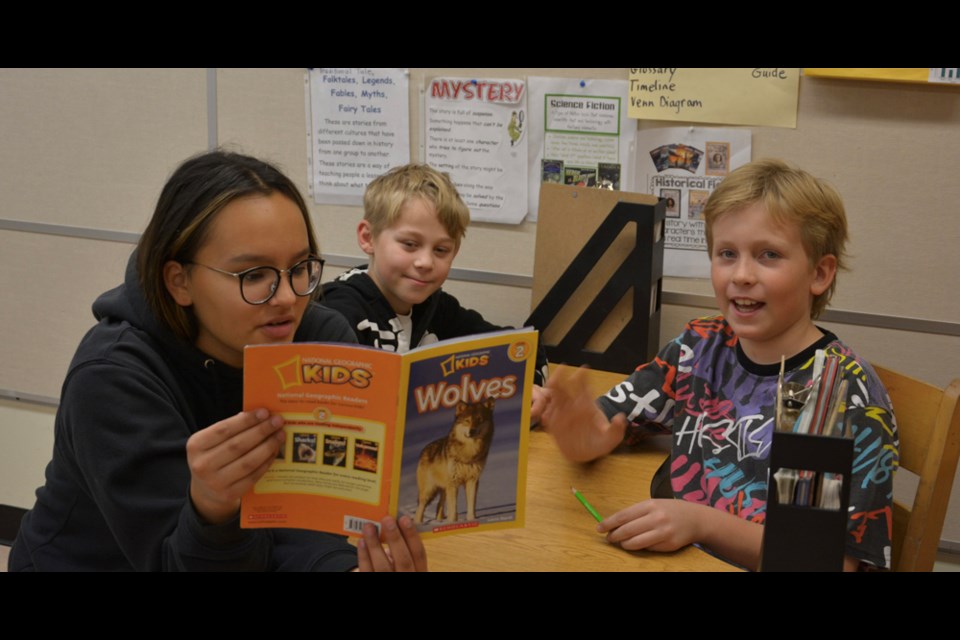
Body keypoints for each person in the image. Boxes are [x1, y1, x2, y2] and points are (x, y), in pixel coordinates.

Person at [10, 150, 427, 571]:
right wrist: (213, 509)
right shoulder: (112, 378)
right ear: (179, 281)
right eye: (254, 275)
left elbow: (304, 519)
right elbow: (170, 562)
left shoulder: (319, 338)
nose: (287, 298)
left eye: (300, 267)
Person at [540, 159, 898, 571]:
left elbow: (815, 559)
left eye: (769, 255)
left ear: (819, 273)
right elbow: (611, 424)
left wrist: (700, 523)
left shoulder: (830, 393)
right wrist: (584, 437)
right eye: (727, 253)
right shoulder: (700, 346)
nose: (742, 275)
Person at [321, 163, 549, 419]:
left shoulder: (436, 306)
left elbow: (520, 347)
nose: (426, 263)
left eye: (441, 250)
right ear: (368, 237)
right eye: (410, 244)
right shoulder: (336, 313)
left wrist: (533, 388)